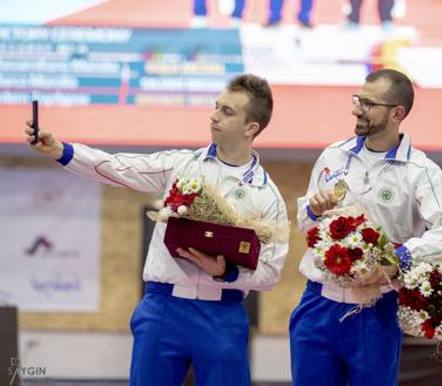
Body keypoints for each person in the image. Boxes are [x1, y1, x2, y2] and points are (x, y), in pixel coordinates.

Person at [24, 74, 289, 386]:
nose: (214, 115)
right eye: (216, 106)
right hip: (164, 308)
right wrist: (61, 150)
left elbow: (270, 274)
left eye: (227, 111)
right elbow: (116, 167)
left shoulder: (267, 195)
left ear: (251, 128)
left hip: (223, 314)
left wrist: (228, 273)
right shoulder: (180, 165)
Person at [290, 68, 442, 386]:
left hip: (376, 310)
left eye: (368, 104)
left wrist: (401, 256)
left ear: (396, 113)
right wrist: (314, 210)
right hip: (317, 301)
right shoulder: (334, 155)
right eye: (358, 99)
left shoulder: (421, 171)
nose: (356, 108)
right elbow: (305, 222)